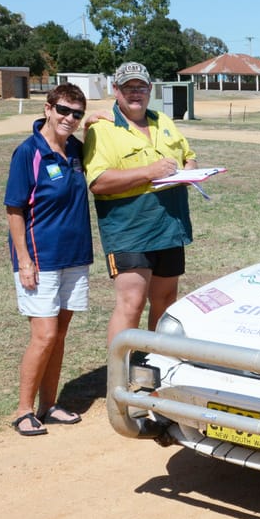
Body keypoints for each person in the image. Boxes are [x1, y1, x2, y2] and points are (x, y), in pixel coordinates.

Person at [83, 62, 197, 347]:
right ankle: (118, 379)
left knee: (166, 300)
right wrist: (149, 172)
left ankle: (155, 367)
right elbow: (98, 182)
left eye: (141, 87)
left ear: (150, 89)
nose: (136, 93)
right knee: (131, 303)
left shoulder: (163, 121)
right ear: (116, 90)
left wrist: (191, 168)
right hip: (129, 229)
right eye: (129, 87)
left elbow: (188, 154)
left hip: (170, 225)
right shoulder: (102, 128)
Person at [4, 83, 92, 436]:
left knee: (60, 335)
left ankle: (49, 404)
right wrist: (24, 260)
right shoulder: (29, 152)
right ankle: (24, 410)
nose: (69, 118)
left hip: (75, 256)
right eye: (63, 110)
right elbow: (14, 210)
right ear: (47, 108)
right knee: (44, 335)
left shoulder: (75, 150)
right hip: (41, 260)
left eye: (77, 113)